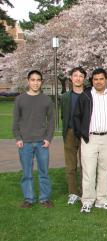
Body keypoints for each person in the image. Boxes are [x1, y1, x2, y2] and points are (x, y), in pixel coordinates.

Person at [73, 68, 107, 213]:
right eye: (95, 79)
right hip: (90, 138)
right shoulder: (85, 96)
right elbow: (76, 117)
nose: (98, 81)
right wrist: (82, 134)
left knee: (105, 170)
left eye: (101, 79)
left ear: (106, 80)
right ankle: (87, 201)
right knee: (89, 171)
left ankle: (101, 200)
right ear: (92, 81)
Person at [13, 70, 55, 208]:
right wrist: (18, 138)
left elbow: (51, 121)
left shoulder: (46, 100)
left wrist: (48, 138)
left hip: (42, 143)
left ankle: (44, 198)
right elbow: (15, 121)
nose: (35, 83)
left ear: (41, 82)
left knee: (44, 172)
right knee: (27, 173)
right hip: (24, 143)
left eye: (38, 80)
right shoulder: (20, 99)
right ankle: (28, 199)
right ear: (28, 81)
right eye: (33, 80)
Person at [61, 67, 87, 205]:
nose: (78, 78)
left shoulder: (89, 95)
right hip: (70, 132)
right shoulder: (65, 97)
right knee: (71, 165)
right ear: (71, 78)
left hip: (85, 133)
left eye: (81, 76)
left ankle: (85, 192)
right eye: (75, 75)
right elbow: (63, 115)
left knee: (85, 164)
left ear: (84, 79)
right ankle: (73, 193)